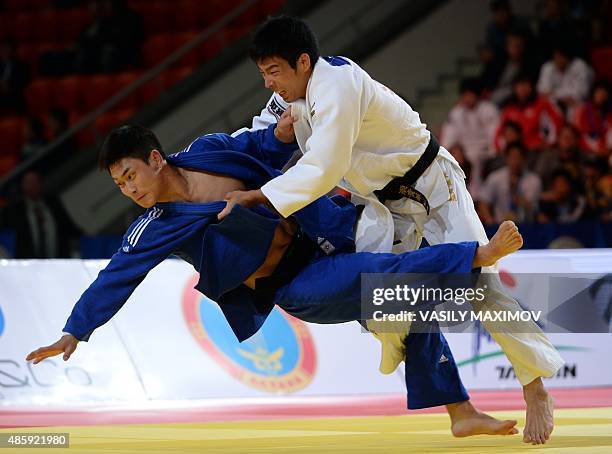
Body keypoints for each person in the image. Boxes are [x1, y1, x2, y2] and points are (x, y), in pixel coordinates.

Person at [26, 124, 524, 439]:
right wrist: (75, 330)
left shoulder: (207, 153)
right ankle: (476, 255)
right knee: (380, 278)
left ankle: (460, 412)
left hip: (322, 231)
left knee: (404, 301)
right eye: (119, 185)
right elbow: (116, 275)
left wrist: (285, 132)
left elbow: (257, 143)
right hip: (298, 285)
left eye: (130, 175)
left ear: (156, 158)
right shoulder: (155, 226)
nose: (129, 190)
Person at [221, 16, 564, 445]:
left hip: (433, 187)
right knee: (381, 295)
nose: (270, 85)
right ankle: (458, 408)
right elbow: (251, 137)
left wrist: (259, 196)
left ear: (303, 62)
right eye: (263, 75)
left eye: (274, 73)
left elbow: (324, 167)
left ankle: (535, 388)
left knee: (481, 285)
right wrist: (196, 164)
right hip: (385, 206)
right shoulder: (291, 99)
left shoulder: (338, 85)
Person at [478, 142, 542, 224]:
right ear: (506, 158)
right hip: (500, 226)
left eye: (519, 157)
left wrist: (515, 193)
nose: (515, 161)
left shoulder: (534, 180)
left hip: (526, 227)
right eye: (512, 157)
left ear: (524, 159)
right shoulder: (495, 178)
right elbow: (483, 202)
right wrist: (490, 221)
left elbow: (534, 209)